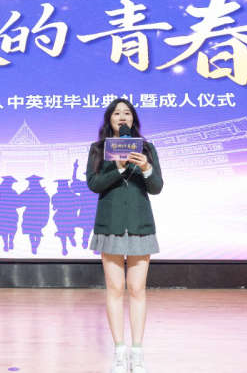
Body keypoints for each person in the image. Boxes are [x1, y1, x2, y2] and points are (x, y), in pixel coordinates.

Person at [86, 98, 163, 373]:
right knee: (116, 289)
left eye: (127, 113)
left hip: (140, 224)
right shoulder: (98, 149)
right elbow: (94, 184)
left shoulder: (147, 148)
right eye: (117, 113)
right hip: (111, 224)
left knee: (137, 289)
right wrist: (118, 167)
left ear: (133, 120)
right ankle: (119, 351)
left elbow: (156, 187)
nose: (122, 117)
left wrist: (146, 168)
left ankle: (137, 352)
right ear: (110, 119)